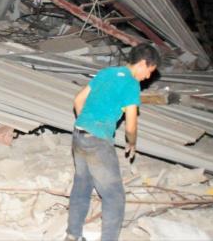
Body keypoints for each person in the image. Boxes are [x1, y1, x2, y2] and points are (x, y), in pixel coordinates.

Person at [65, 43, 160, 241]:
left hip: (79, 134)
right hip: (98, 141)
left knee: (82, 186)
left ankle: (73, 235)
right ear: (143, 63)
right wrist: (131, 143)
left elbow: (78, 100)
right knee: (114, 197)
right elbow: (131, 125)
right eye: (150, 71)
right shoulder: (131, 84)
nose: (148, 77)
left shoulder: (106, 73)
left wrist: (87, 123)